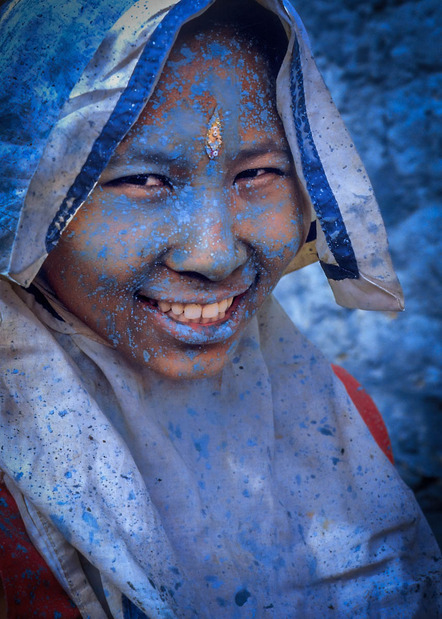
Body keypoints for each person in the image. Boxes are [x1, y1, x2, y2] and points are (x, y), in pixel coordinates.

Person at [0, 0, 440, 617]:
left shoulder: (343, 427)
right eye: (142, 181)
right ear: (27, 203)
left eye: (259, 172)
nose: (215, 255)